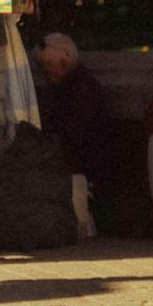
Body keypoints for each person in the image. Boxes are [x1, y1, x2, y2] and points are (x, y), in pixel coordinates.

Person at [36, 32, 110, 205]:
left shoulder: (79, 91)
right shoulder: (74, 86)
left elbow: (71, 135)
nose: (46, 70)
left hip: (84, 168)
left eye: (48, 63)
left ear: (66, 57)